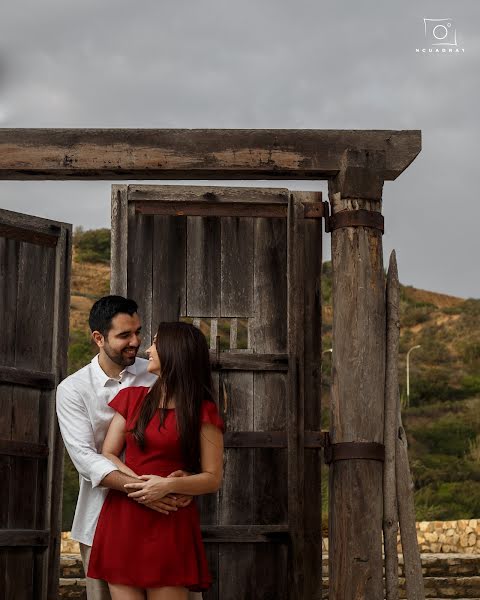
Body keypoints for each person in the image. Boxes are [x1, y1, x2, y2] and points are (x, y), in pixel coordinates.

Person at [56, 296, 200, 600]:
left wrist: (186, 477)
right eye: (124, 335)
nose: (136, 342)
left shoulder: (158, 373)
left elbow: (186, 432)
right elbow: (85, 459)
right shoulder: (73, 390)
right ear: (98, 338)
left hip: (166, 516)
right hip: (101, 522)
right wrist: (146, 492)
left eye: (138, 332)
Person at [87, 321, 224, 600]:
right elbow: (109, 453)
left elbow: (213, 477)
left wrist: (165, 487)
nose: (147, 350)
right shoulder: (131, 399)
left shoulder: (202, 411)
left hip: (170, 520)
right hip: (125, 517)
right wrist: (144, 489)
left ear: (174, 352)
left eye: (155, 344)